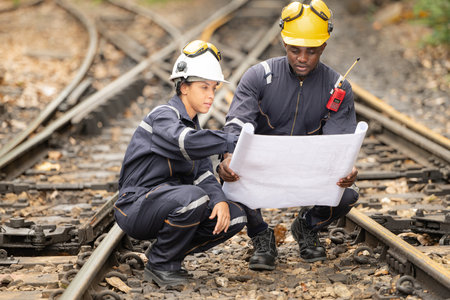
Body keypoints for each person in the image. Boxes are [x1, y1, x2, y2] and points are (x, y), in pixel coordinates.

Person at [218, 0, 359, 270]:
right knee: (229, 176)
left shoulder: (338, 87)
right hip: (260, 168)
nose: (302, 58)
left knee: (348, 194)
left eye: (312, 51)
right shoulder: (258, 77)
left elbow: (339, 144)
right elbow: (236, 124)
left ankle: (306, 227)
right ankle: (261, 234)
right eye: (295, 50)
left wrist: (346, 169)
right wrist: (228, 156)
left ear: (324, 47)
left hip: (308, 170)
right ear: (284, 43)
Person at [114, 40, 247, 286]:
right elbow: (185, 142)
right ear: (184, 87)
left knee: (235, 216)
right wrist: (232, 140)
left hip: (170, 203)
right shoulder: (163, 116)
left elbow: (205, 175)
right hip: (134, 205)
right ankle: (160, 264)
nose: (211, 95)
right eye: (204, 87)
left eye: (214, 88)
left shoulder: (195, 127)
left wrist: (219, 201)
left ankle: (168, 257)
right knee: (193, 197)